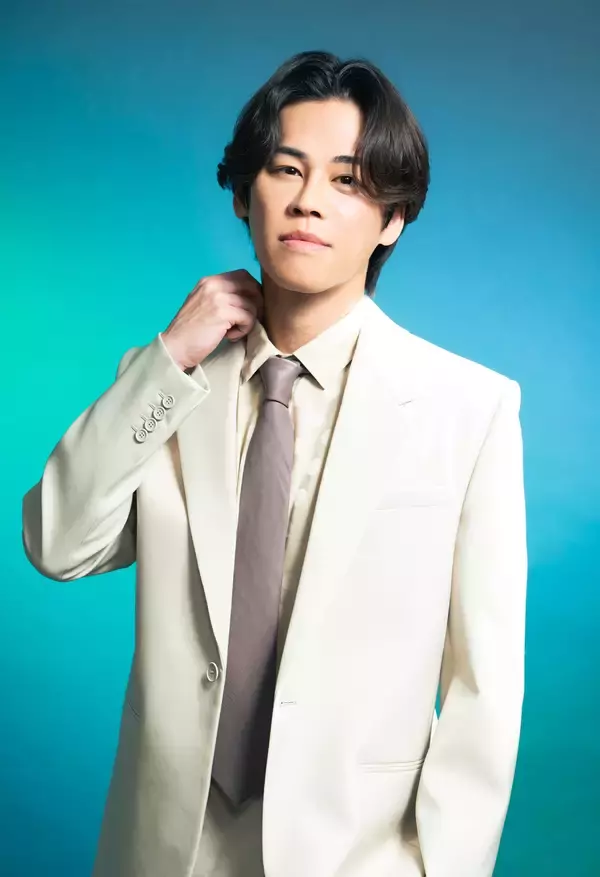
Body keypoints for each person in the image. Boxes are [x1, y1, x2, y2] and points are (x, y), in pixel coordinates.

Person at [22, 50, 527, 877]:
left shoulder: (468, 410)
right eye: (286, 169)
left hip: (356, 856)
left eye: (347, 180)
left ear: (393, 218)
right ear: (242, 193)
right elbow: (57, 543)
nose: (308, 200)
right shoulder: (164, 387)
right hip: (165, 850)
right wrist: (168, 359)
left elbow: (485, 690)